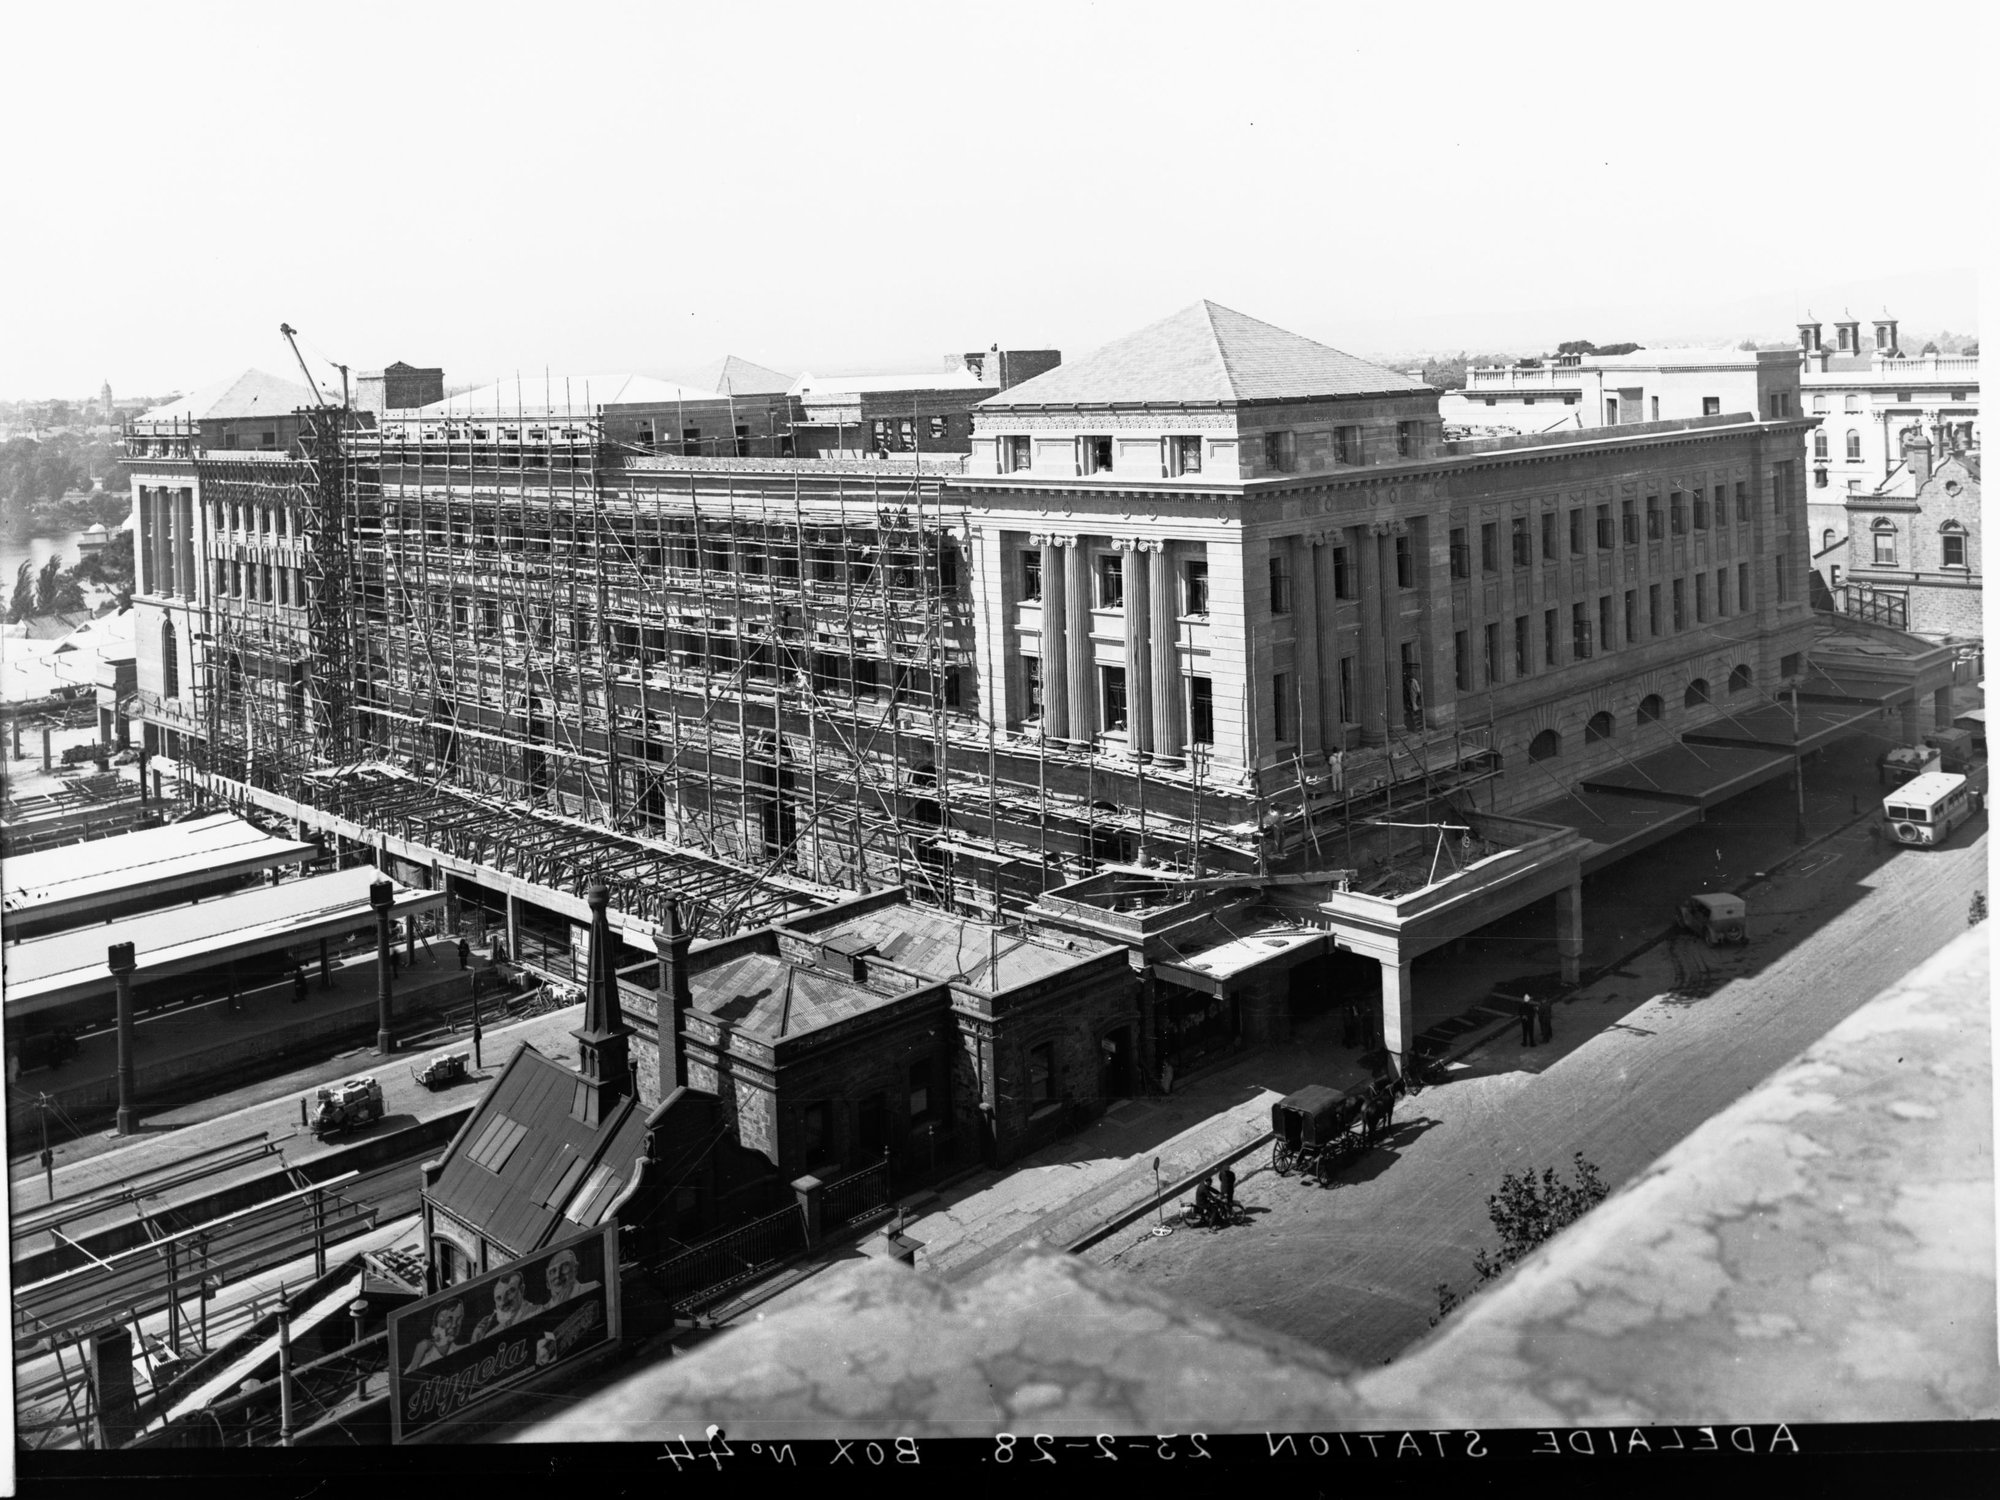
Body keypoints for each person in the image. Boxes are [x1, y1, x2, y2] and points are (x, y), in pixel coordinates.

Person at [471, 1270, 535, 1341]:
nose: (503, 1302)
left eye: (509, 1293)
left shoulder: (536, 1312)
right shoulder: (491, 1334)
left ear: (522, 1290)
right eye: (499, 1298)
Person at [405, 1300, 466, 1372]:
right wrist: (415, 1363)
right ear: (433, 1330)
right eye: (448, 1320)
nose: (454, 1325)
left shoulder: (463, 1351)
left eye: (458, 1319)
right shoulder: (423, 1360)